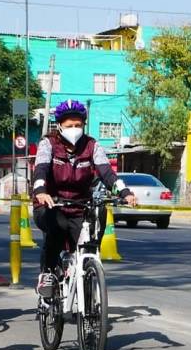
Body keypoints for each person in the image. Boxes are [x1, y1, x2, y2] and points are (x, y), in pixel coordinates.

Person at [31, 99, 137, 298]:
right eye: (69, 125)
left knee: (94, 226)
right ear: (59, 125)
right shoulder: (48, 144)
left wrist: (125, 193)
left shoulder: (91, 145)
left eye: (78, 125)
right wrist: (40, 192)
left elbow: (107, 174)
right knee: (56, 229)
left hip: (80, 206)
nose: (74, 129)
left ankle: (85, 273)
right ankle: (47, 274)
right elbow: (41, 170)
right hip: (51, 203)